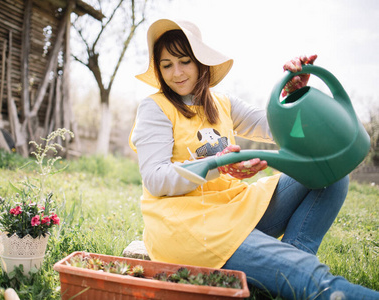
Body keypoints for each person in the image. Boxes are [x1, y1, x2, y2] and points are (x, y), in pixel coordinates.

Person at [129, 19, 379, 300]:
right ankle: (298, 274)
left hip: (235, 208)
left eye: (184, 61)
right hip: (190, 227)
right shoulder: (155, 108)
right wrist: (215, 164)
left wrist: (293, 96)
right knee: (309, 275)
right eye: (166, 65)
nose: (176, 73)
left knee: (329, 172)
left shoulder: (221, 102)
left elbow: (276, 128)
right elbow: (155, 179)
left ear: (200, 62)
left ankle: (287, 267)